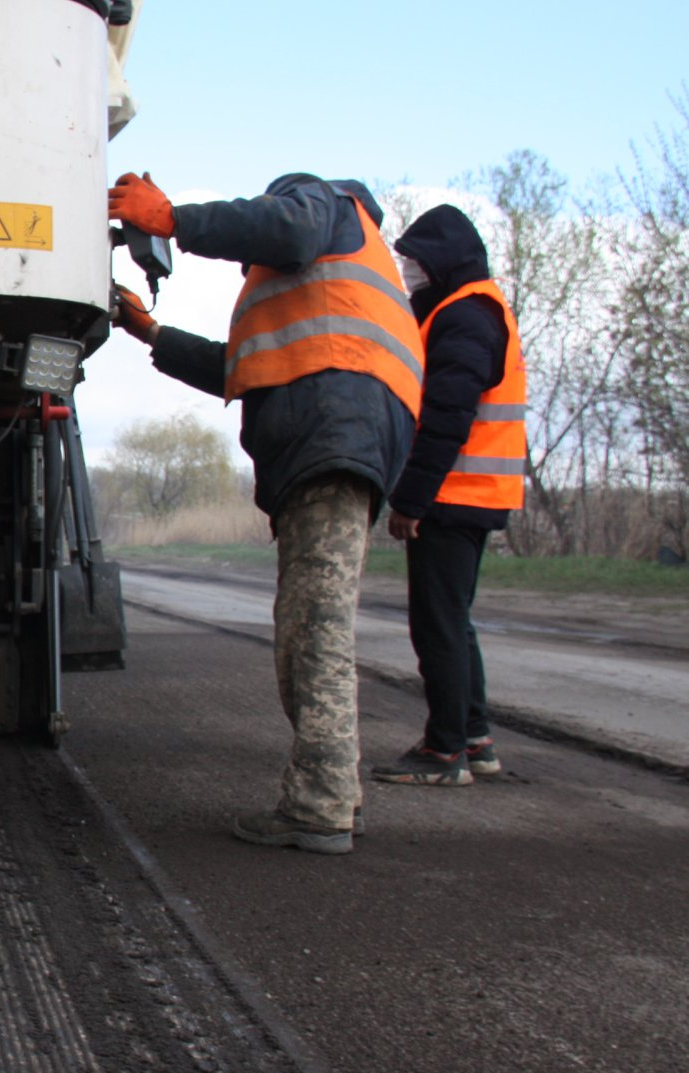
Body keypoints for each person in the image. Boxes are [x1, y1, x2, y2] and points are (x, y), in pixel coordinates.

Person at [109, 172, 420, 855]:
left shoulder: (325, 207)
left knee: (315, 633)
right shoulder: (330, 287)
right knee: (305, 629)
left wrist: (174, 220)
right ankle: (335, 791)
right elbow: (242, 368)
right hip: (335, 444)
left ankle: (321, 806)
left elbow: (285, 226)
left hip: (332, 441)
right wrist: (153, 334)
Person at [371, 205, 525, 786]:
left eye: (416, 262)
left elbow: (446, 418)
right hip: (474, 491)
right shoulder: (472, 309)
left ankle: (443, 753)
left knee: (436, 623)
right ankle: (474, 738)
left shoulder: (465, 316)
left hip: (454, 493)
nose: (410, 272)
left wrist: (410, 500)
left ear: (443, 261)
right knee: (453, 621)